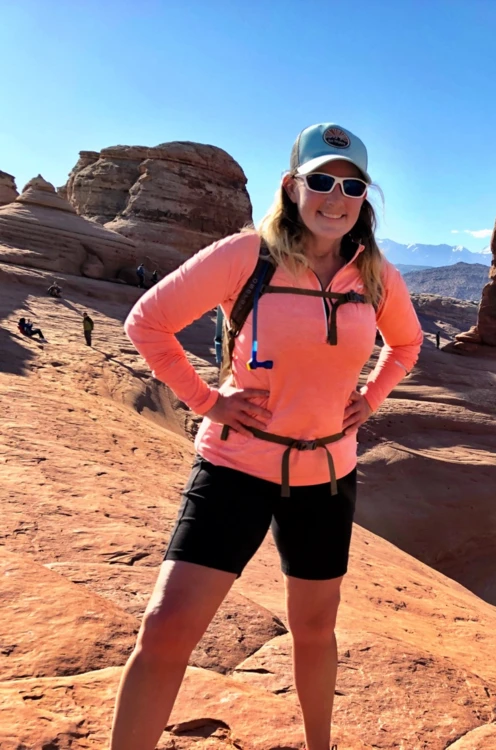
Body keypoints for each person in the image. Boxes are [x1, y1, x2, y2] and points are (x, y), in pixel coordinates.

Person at [112, 123, 422, 750]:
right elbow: (147, 322)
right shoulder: (246, 255)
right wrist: (206, 400)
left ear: (365, 196)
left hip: (326, 477)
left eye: (352, 185)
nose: (336, 196)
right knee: (166, 630)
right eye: (322, 180)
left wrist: (370, 399)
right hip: (235, 469)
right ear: (292, 184)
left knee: (314, 630)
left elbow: (407, 343)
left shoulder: (374, 275)